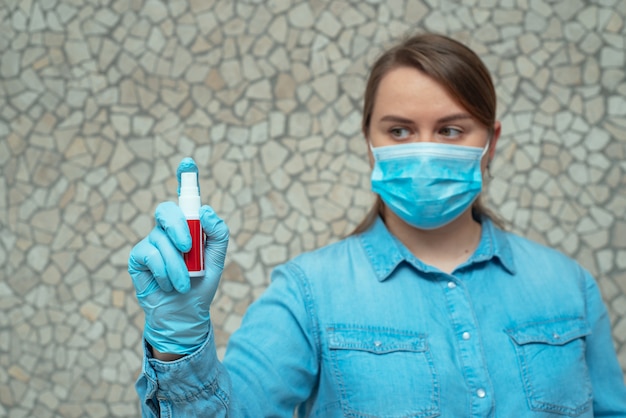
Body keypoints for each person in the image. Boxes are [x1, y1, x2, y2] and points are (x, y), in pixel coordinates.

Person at [128, 33, 626, 417]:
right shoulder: (308, 292)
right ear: (369, 140)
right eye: (400, 130)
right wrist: (179, 343)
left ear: (490, 142)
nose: (424, 149)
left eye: (451, 129)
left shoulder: (568, 286)